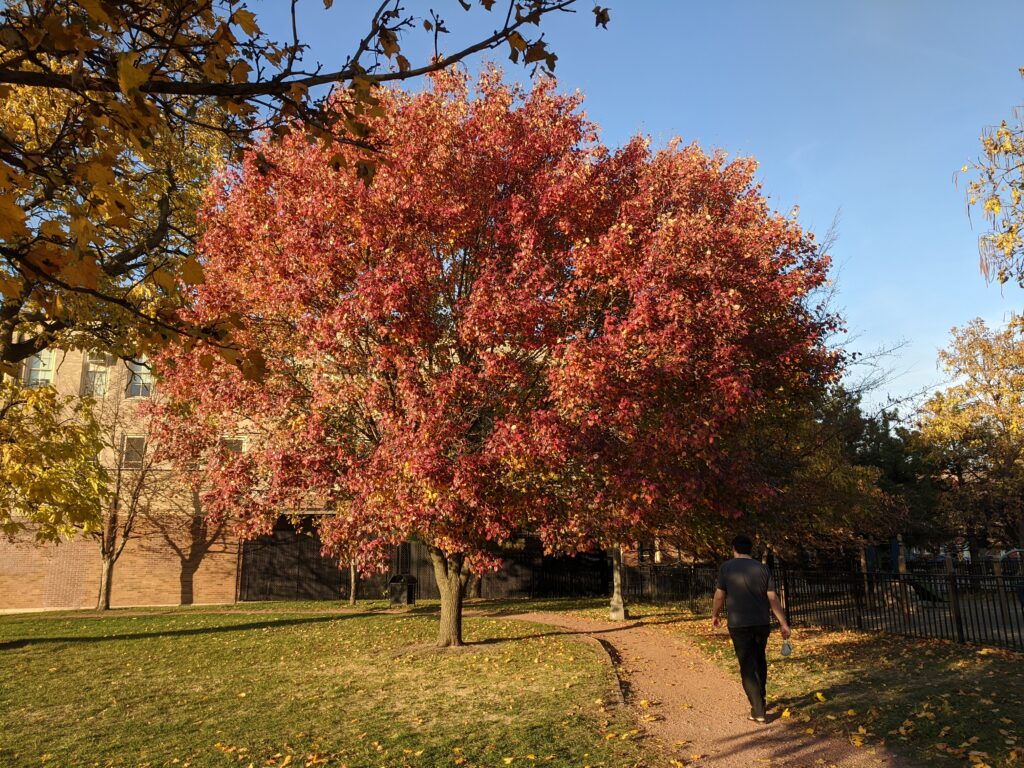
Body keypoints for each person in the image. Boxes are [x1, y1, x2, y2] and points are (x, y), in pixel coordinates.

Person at [711, 534, 791, 723]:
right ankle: (761, 698)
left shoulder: (726, 568)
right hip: (761, 622)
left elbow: (719, 595)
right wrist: (783, 622)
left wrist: (715, 613)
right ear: (750, 549)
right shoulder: (763, 568)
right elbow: (772, 598)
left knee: (746, 664)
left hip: (738, 623)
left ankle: (757, 709)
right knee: (759, 658)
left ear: (734, 549)